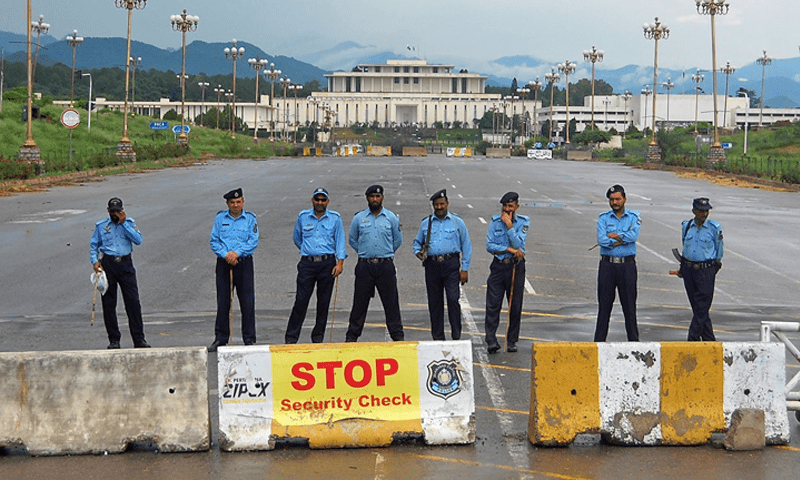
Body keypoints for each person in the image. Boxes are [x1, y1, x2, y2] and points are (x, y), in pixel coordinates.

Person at [285, 188, 346, 344]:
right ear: (312, 200)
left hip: (327, 264)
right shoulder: (303, 217)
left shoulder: (335, 218)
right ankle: (291, 338)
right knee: (301, 301)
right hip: (307, 264)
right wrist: (308, 251)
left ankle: (318, 338)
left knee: (323, 303)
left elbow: (340, 241)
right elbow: (297, 238)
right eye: (317, 199)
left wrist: (340, 262)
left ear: (328, 201)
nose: (320, 202)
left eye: (323, 200)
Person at [345, 185, 404, 342]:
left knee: (391, 303)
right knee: (359, 304)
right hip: (365, 266)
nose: (375, 199)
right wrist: (365, 252)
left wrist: (385, 253)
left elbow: (397, 240)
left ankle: (398, 337)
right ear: (367, 198)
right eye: (372, 197)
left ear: (382, 198)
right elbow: (353, 239)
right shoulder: (359, 218)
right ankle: (352, 337)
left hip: (385, 265)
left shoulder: (391, 217)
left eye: (378, 196)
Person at [89, 197, 150, 349]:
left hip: (125, 264)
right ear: (108, 211)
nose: (116, 214)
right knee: (109, 305)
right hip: (108, 264)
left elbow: (138, 240)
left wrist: (124, 225)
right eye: (113, 211)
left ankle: (139, 339)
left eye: (119, 211)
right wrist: (95, 261)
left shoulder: (129, 223)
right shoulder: (101, 226)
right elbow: (94, 245)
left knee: (133, 303)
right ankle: (114, 340)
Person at [413, 189, 472, 341]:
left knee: (453, 300)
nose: (439, 207)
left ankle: (456, 335)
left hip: (451, 264)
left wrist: (464, 268)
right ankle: (438, 338)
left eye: (442, 204)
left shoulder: (457, 221)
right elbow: (417, 241)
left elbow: (466, 245)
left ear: (447, 204)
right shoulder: (427, 223)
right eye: (436, 205)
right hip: (432, 266)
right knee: (435, 302)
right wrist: (418, 252)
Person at [209, 188, 259, 351]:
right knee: (223, 302)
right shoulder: (220, 218)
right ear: (227, 204)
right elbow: (214, 241)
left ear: (243, 202)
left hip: (243, 263)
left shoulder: (250, 219)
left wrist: (237, 253)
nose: (236, 205)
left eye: (238, 202)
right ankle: (220, 338)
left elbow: (253, 241)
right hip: (224, 264)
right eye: (232, 202)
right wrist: (226, 255)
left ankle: (249, 339)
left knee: (247, 302)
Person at [594, 184, 641, 342]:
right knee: (604, 308)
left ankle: (634, 344)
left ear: (624, 199)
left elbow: (633, 236)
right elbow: (601, 240)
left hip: (627, 266)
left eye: (618, 199)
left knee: (629, 308)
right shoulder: (603, 218)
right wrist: (622, 238)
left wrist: (616, 236)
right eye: (612, 199)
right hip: (607, 266)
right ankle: (598, 344)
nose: (615, 202)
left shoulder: (634, 217)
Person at [484, 192, 529, 353]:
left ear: (517, 206)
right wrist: (508, 249)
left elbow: (519, 245)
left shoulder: (523, 222)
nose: (507, 209)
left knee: (515, 305)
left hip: (516, 266)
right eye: (505, 206)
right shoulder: (495, 222)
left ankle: (511, 340)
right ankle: (491, 339)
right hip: (499, 265)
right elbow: (490, 245)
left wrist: (510, 226)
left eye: (511, 206)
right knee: (493, 304)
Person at [679, 197, 724, 341]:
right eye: (700, 211)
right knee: (698, 308)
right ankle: (710, 341)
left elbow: (719, 249)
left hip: (705, 270)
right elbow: (685, 245)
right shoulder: (686, 226)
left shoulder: (714, 228)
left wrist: (712, 268)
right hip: (689, 269)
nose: (704, 214)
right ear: (694, 210)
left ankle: (692, 339)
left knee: (701, 307)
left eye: (706, 211)